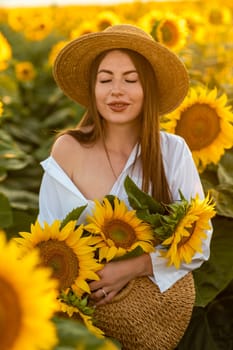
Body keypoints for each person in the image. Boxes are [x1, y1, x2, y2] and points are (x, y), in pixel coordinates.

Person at [38, 24, 212, 306]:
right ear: (93, 89)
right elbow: (47, 239)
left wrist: (133, 267)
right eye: (105, 80)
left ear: (148, 89)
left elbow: (199, 243)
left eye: (131, 80)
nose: (116, 91)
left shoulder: (172, 151)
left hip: (149, 315)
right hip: (78, 309)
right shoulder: (68, 149)